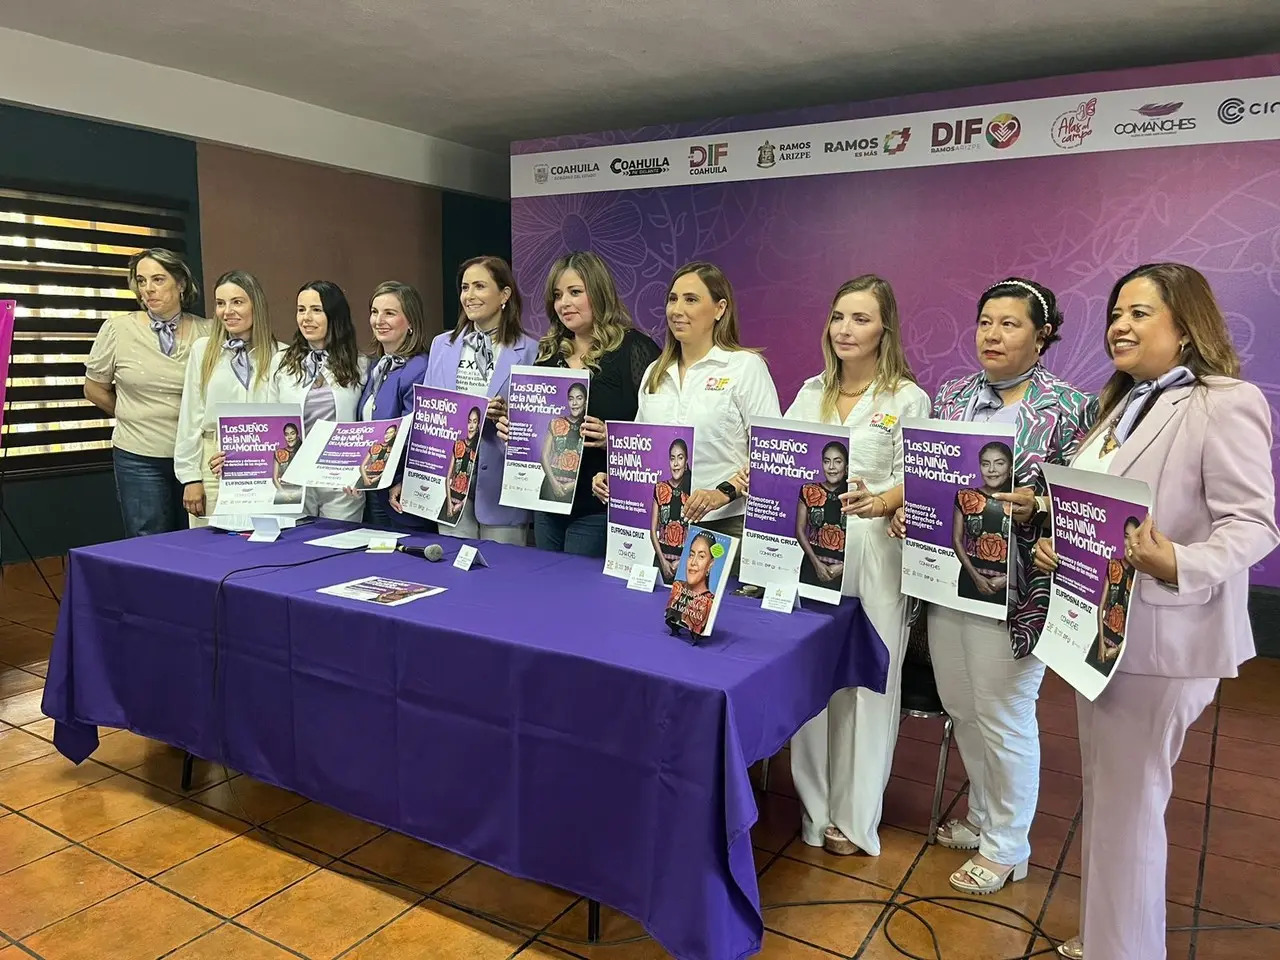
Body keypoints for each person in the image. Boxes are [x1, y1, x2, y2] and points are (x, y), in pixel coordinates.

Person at [1032, 264, 1278, 960]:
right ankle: (1111, 937)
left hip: (1162, 638)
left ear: (1186, 323)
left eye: (1140, 312)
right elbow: (1096, 511)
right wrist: (1063, 546)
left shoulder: (1221, 401)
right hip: (1099, 637)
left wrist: (1179, 563)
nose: (1120, 324)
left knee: (1128, 809)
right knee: (1112, 802)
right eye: (1116, 312)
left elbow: (1254, 524)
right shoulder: (1123, 405)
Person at [889, 277, 1094, 894]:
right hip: (948, 575)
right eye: (985, 322)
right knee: (962, 705)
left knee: (1004, 713)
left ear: (1043, 335)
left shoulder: (1070, 409)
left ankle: (1010, 846)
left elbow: (1086, 501)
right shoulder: (952, 396)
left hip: (1020, 587)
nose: (993, 334)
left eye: (1010, 323)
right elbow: (924, 475)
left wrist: (1042, 506)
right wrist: (908, 507)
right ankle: (982, 817)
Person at [784, 274, 930, 859]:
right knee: (812, 682)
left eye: (861, 319)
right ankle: (814, 808)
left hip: (874, 554)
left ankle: (855, 814)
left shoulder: (907, 400)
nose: (846, 329)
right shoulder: (808, 391)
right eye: (839, 316)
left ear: (884, 329)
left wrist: (889, 497)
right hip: (809, 551)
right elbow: (781, 455)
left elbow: (920, 479)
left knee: (868, 684)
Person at [592, 261, 780, 566]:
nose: (677, 309)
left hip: (723, 528)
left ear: (720, 309)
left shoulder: (745, 368)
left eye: (691, 300)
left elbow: (771, 458)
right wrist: (614, 477)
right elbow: (641, 452)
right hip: (658, 529)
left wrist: (723, 493)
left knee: (720, 615)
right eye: (672, 299)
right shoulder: (655, 372)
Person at [498, 251, 660, 556]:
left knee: (582, 596)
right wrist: (515, 430)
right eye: (558, 295)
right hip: (547, 502)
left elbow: (659, 432)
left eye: (575, 292)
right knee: (548, 589)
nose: (564, 303)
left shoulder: (635, 349)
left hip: (601, 504)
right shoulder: (547, 356)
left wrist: (613, 439)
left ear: (598, 293)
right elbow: (540, 431)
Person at [400, 255, 537, 543]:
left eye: (479, 286)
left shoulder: (531, 351)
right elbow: (429, 415)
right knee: (456, 575)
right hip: (450, 480)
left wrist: (507, 416)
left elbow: (536, 422)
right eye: (465, 287)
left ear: (505, 294)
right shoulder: (442, 345)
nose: (469, 296)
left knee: (503, 576)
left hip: (503, 484)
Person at [84, 248, 212, 537]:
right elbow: (94, 388)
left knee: (200, 538)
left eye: (157, 279)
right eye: (141, 281)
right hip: (139, 456)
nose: (148, 289)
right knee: (148, 539)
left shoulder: (208, 332)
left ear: (180, 283)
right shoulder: (118, 329)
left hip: (196, 456)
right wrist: (134, 416)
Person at [174, 270, 283, 526]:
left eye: (237, 302)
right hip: (214, 463)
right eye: (221, 303)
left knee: (259, 546)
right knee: (210, 549)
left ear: (255, 305)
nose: (227, 311)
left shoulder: (281, 356)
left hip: (264, 466)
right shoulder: (203, 351)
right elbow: (190, 416)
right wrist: (191, 477)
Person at [268, 280, 368, 519]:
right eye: (301, 309)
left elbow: (366, 425)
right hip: (292, 477)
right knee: (292, 549)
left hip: (341, 482)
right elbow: (271, 424)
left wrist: (359, 474)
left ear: (334, 315)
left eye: (316, 310)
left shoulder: (361, 364)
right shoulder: (281, 362)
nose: (306, 318)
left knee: (339, 551)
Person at [356, 281, 431, 530]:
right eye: (375, 312)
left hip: (402, 494)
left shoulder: (419, 368)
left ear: (411, 322)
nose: (379, 320)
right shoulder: (377, 366)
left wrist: (404, 480)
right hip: (374, 489)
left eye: (389, 313)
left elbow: (418, 436)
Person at [952, 441, 1015, 607]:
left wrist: (1008, 579)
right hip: (970, 580)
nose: (992, 470)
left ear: (1010, 468)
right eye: (986, 464)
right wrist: (976, 577)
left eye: (999, 463)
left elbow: (1025, 547)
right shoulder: (965, 496)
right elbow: (957, 540)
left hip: (1008, 585)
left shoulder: (1019, 501)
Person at [1086, 516, 1140, 676]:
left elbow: (1137, 620)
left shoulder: (1139, 575)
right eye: (1126, 536)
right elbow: (1101, 606)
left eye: (1134, 538)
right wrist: (1101, 643)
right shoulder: (1113, 565)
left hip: (1122, 643)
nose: (1129, 542)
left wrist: (1117, 650)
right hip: (1103, 634)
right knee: (1089, 677)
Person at [798, 441, 851, 589]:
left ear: (846, 467)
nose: (832, 467)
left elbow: (861, 539)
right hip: (811, 567)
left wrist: (845, 566)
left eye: (838, 461)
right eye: (827, 461)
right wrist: (816, 564)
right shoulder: (808, 490)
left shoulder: (853, 495)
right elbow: (799, 531)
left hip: (844, 571)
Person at [651, 438, 692, 584]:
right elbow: (652, 531)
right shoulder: (659, 488)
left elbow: (697, 534)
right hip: (661, 561)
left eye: (680, 458)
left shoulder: (693, 491)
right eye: (672, 458)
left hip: (686, 563)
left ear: (686, 461)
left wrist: (682, 561)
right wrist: (662, 561)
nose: (675, 464)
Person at [540, 382, 588, 503]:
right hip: (551, 486)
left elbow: (590, 464)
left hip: (578, 490)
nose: (575, 403)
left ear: (586, 401)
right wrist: (554, 484)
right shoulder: (556, 422)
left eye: (579, 398)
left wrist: (572, 485)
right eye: (571, 399)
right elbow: (544, 456)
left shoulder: (590, 426)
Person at [668, 530, 717, 636]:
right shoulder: (677, 588)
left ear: (710, 564)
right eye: (691, 554)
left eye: (701, 556)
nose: (693, 562)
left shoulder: (709, 602)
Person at [439, 405, 482, 524]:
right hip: (449, 498)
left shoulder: (478, 449)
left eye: (475, 422)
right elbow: (448, 477)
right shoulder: (458, 444)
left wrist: (462, 503)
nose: (471, 426)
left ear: (478, 425)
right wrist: (448, 504)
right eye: (469, 422)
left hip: (466, 503)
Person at [357, 423, 400, 490]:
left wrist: (376, 479)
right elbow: (362, 466)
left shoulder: (394, 449)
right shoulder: (375, 446)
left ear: (395, 434)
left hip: (380, 479)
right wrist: (365, 479)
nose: (387, 435)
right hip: (365, 476)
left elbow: (389, 469)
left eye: (391, 432)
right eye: (386, 433)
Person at [272, 422, 303, 505]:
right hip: (282, 492)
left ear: (297, 434)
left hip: (300, 493)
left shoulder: (303, 451)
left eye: (292, 434)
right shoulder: (279, 453)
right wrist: (283, 493)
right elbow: (274, 479)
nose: (289, 437)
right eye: (286, 434)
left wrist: (298, 493)